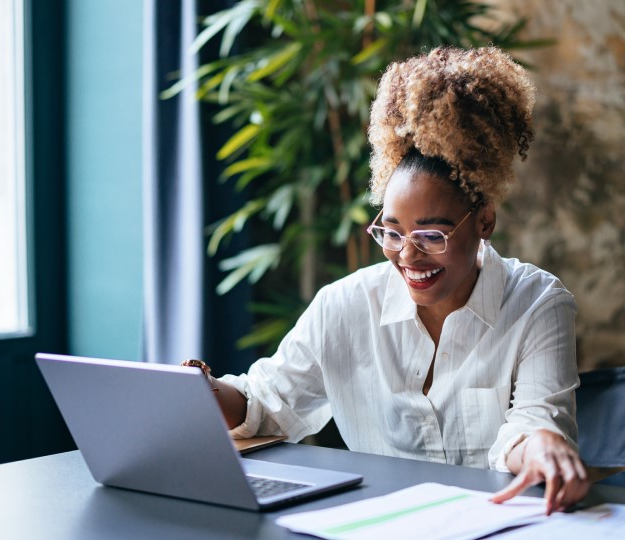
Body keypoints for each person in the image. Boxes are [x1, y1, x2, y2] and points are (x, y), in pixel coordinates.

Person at [198, 46, 589, 514]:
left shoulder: (537, 303)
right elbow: (266, 403)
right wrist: (199, 391)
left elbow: (534, 422)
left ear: (484, 222)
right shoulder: (343, 306)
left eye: (430, 234)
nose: (407, 254)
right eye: (392, 231)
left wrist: (542, 444)